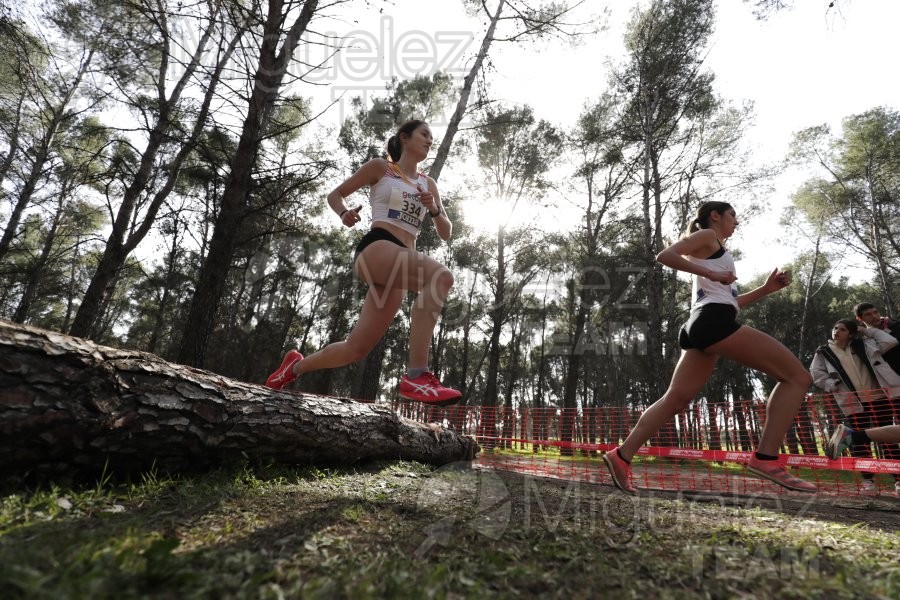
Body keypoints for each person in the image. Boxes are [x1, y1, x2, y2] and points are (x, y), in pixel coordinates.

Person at [602, 201, 817, 494]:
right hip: (712, 322)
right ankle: (766, 458)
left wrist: (766, 290)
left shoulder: (716, 250)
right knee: (798, 378)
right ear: (714, 216)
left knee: (675, 400)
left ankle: (621, 455)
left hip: (705, 323)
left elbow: (730, 302)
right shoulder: (707, 236)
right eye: (732, 216)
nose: (736, 222)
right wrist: (714, 275)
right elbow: (665, 255)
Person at [264, 120, 462, 405]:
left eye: (432, 137)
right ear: (404, 138)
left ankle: (292, 368)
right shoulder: (381, 168)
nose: (430, 141)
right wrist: (344, 213)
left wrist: (433, 209)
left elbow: (446, 232)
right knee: (440, 277)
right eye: (424, 134)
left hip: (399, 264)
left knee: (355, 349)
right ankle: (417, 376)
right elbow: (335, 194)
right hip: (378, 247)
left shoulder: (428, 183)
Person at [809, 318, 900, 492]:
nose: (836, 331)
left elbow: (890, 341)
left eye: (842, 329)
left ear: (850, 333)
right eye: (835, 328)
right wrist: (832, 384)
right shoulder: (824, 352)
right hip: (852, 402)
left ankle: (898, 479)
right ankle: (868, 481)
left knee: (887, 439)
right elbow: (816, 374)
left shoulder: (864, 344)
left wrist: (865, 330)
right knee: (860, 443)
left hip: (879, 398)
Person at [855, 302, 900, 374]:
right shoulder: (865, 340)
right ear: (859, 319)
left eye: (875, 312)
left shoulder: (897, 326)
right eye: (868, 314)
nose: (874, 316)